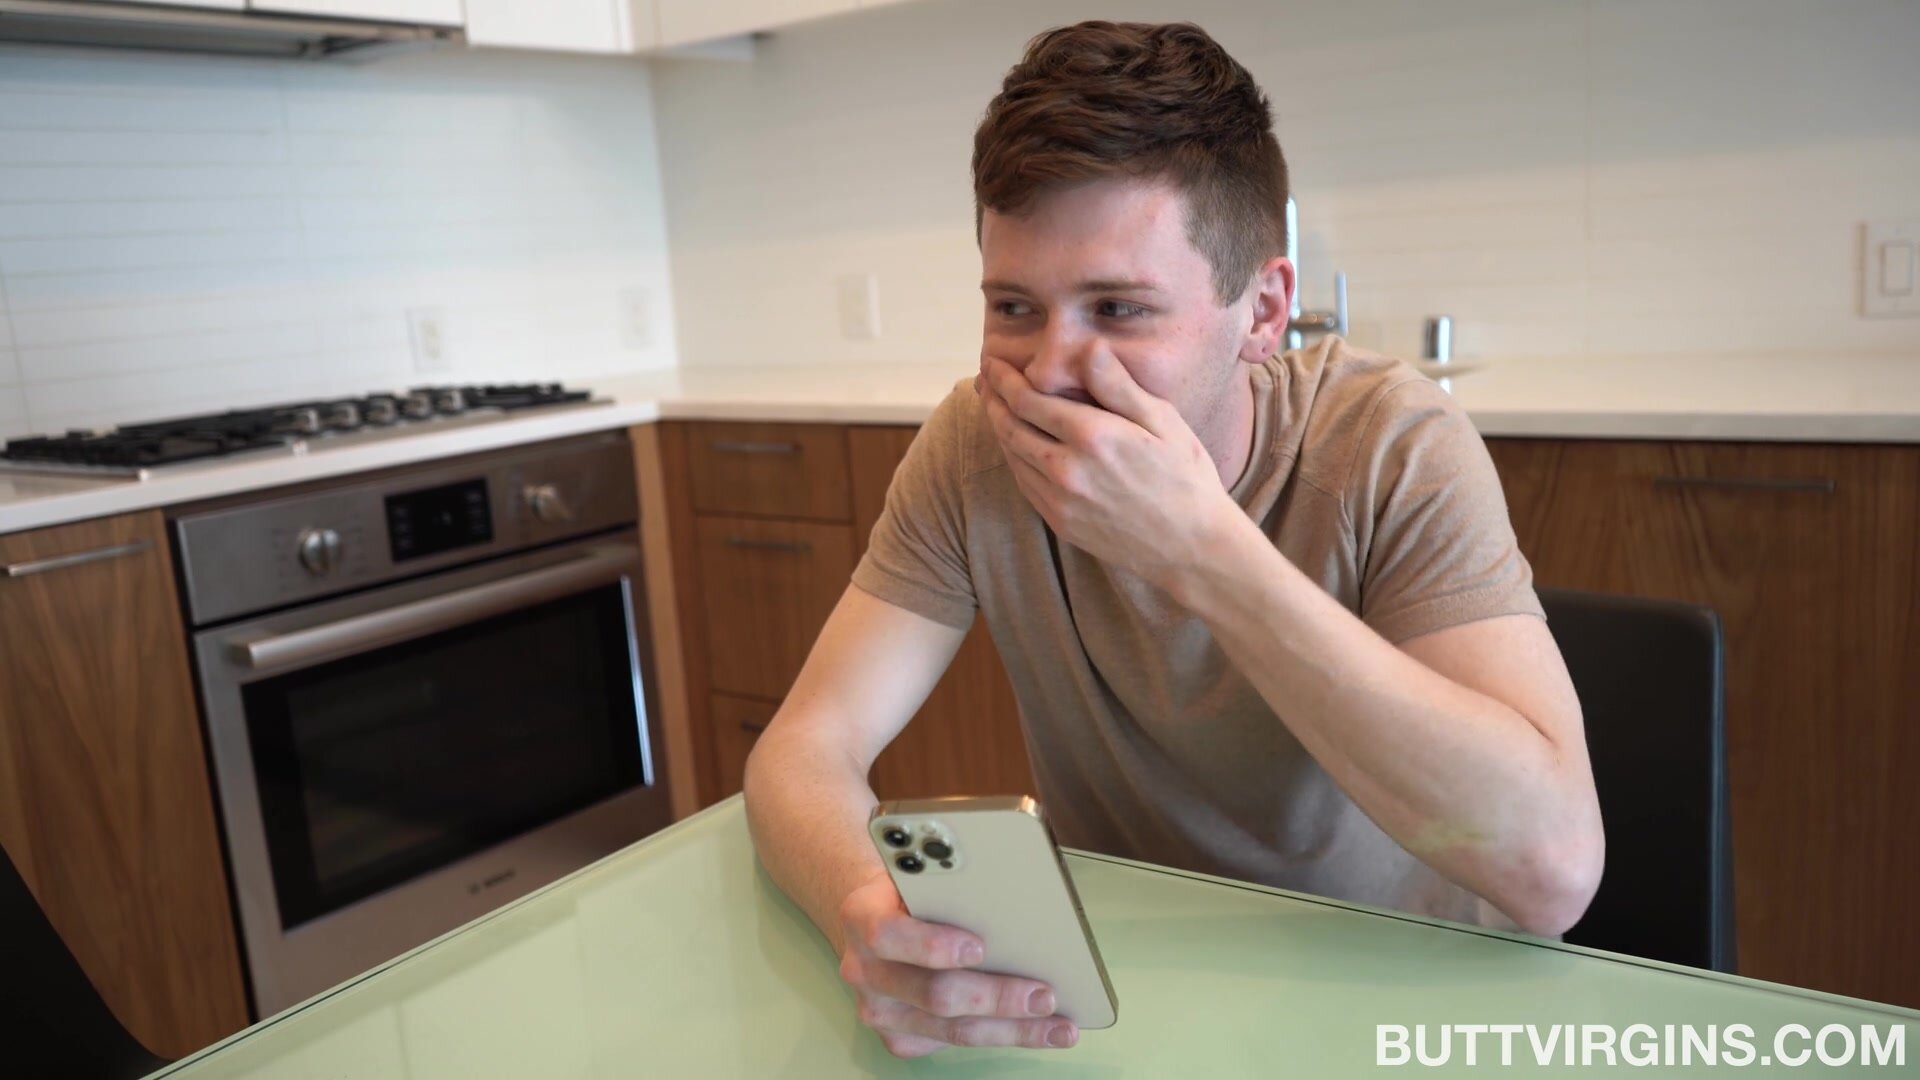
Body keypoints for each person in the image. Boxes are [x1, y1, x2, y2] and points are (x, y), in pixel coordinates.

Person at [742, 19, 1604, 1058]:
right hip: (1127, 1006)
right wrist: (866, 911)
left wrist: (1201, 550)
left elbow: (1553, 873)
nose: (1050, 369)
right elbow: (806, 748)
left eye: (1118, 308)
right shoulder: (973, 447)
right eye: (1014, 306)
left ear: (1263, 311)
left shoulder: (1389, 442)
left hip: (1405, 1004)